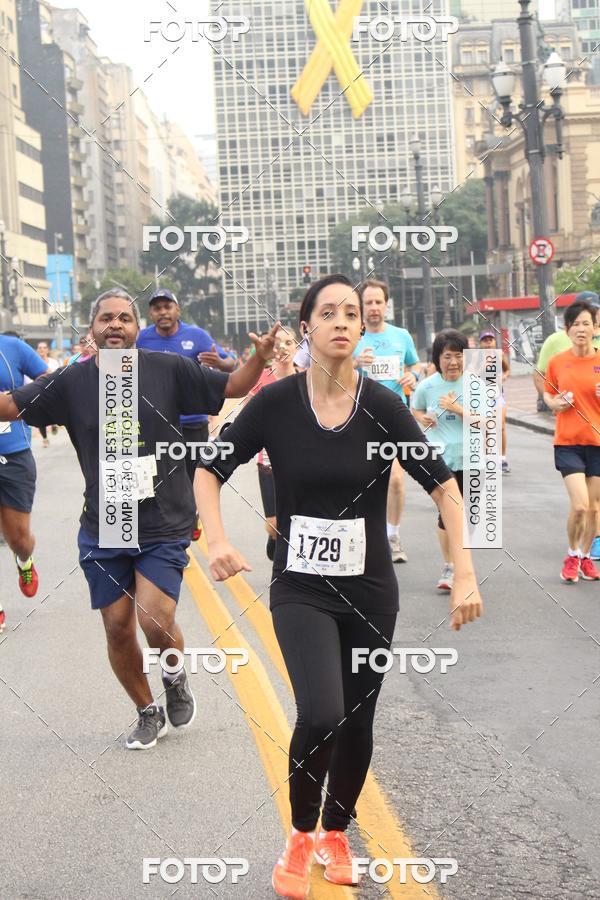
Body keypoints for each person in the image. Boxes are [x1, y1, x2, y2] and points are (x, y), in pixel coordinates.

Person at [194, 275, 482, 899]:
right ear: (308, 329)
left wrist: (464, 571)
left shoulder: (382, 404)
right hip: (302, 586)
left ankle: (336, 831)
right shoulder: (274, 404)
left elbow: (444, 487)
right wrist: (216, 540)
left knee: (356, 718)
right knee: (321, 711)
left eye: (353, 312)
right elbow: (210, 469)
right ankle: (300, 834)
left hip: (372, 589)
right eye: (329, 313)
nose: (344, 321)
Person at [0, 289, 278, 748]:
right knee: (116, 625)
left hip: (163, 516)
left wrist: (258, 358)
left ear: (136, 329)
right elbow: (10, 406)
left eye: (124, 319)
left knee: (155, 617)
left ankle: (174, 677)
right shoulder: (71, 382)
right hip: (105, 522)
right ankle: (146, 710)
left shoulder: (167, 368)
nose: (115, 325)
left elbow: (231, 387)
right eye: (105, 318)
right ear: (91, 330)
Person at [137, 289, 236, 540]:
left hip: (192, 423)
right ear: (151, 313)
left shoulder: (197, 336)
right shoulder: (141, 339)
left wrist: (222, 363)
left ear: (177, 310)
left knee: (194, 477)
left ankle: (192, 515)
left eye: (167, 307)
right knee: (160, 478)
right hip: (157, 424)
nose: (163, 312)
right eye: (157, 308)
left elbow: (230, 363)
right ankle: (168, 530)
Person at [353, 280, 421, 564]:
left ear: (386, 304)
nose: (373, 308)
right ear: (361, 307)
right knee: (363, 481)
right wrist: (355, 364)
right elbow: (331, 371)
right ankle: (366, 535)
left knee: (394, 480)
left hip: (394, 415)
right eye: (368, 302)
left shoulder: (401, 336)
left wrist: (413, 376)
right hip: (361, 416)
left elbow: (415, 364)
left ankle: (392, 535)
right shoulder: (352, 338)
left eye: (378, 302)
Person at [535, 294, 600, 559]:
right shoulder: (557, 361)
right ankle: (573, 555)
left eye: (586, 324)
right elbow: (548, 394)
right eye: (575, 324)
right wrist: (553, 403)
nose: (581, 329)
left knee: (595, 509)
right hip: (568, 442)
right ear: (567, 329)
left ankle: (585, 558)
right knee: (581, 505)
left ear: (595, 328)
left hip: (597, 442)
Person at [413, 329, 469, 592]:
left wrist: (458, 410)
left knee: (461, 513)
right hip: (440, 459)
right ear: (437, 358)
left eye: (458, 356)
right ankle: (450, 565)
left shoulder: (474, 385)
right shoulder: (427, 386)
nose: (454, 362)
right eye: (448, 357)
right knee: (447, 512)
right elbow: (416, 408)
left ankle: (458, 563)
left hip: (469, 458)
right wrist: (422, 418)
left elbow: (486, 422)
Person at [0, 333, 48, 623]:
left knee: (18, 538)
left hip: (14, 455)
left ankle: (24, 560)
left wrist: (19, 401)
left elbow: (48, 379)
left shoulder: (12, 347)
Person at [246, 326, 297, 560]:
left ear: (297, 347)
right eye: (278, 343)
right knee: (275, 525)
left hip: (302, 464)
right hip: (268, 464)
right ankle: (275, 538)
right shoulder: (261, 379)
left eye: (289, 342)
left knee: (299, 523)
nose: (283, 348)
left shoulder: (307, 379)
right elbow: (247, 419)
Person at [478, 329, 511, 474]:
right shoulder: (476, 358)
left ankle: (502, 458)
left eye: (490, 340)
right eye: (485, 341)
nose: (488, 343)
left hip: (498, 395)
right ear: (481, 344)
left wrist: (503, 377)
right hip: (482, 397)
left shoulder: (499, 355)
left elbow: (507, 370)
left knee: (501, 426)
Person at [34, 342, 60, 447]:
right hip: (37, 392)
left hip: (51, 392)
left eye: (44, 348)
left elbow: (58, 376)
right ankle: (45, 439)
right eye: (40, 348)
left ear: (47, 350)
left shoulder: (53, 362)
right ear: (37, 350)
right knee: (40, 415)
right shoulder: (33, 363)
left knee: (52, 411)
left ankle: (54, 423)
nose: (42, 350)